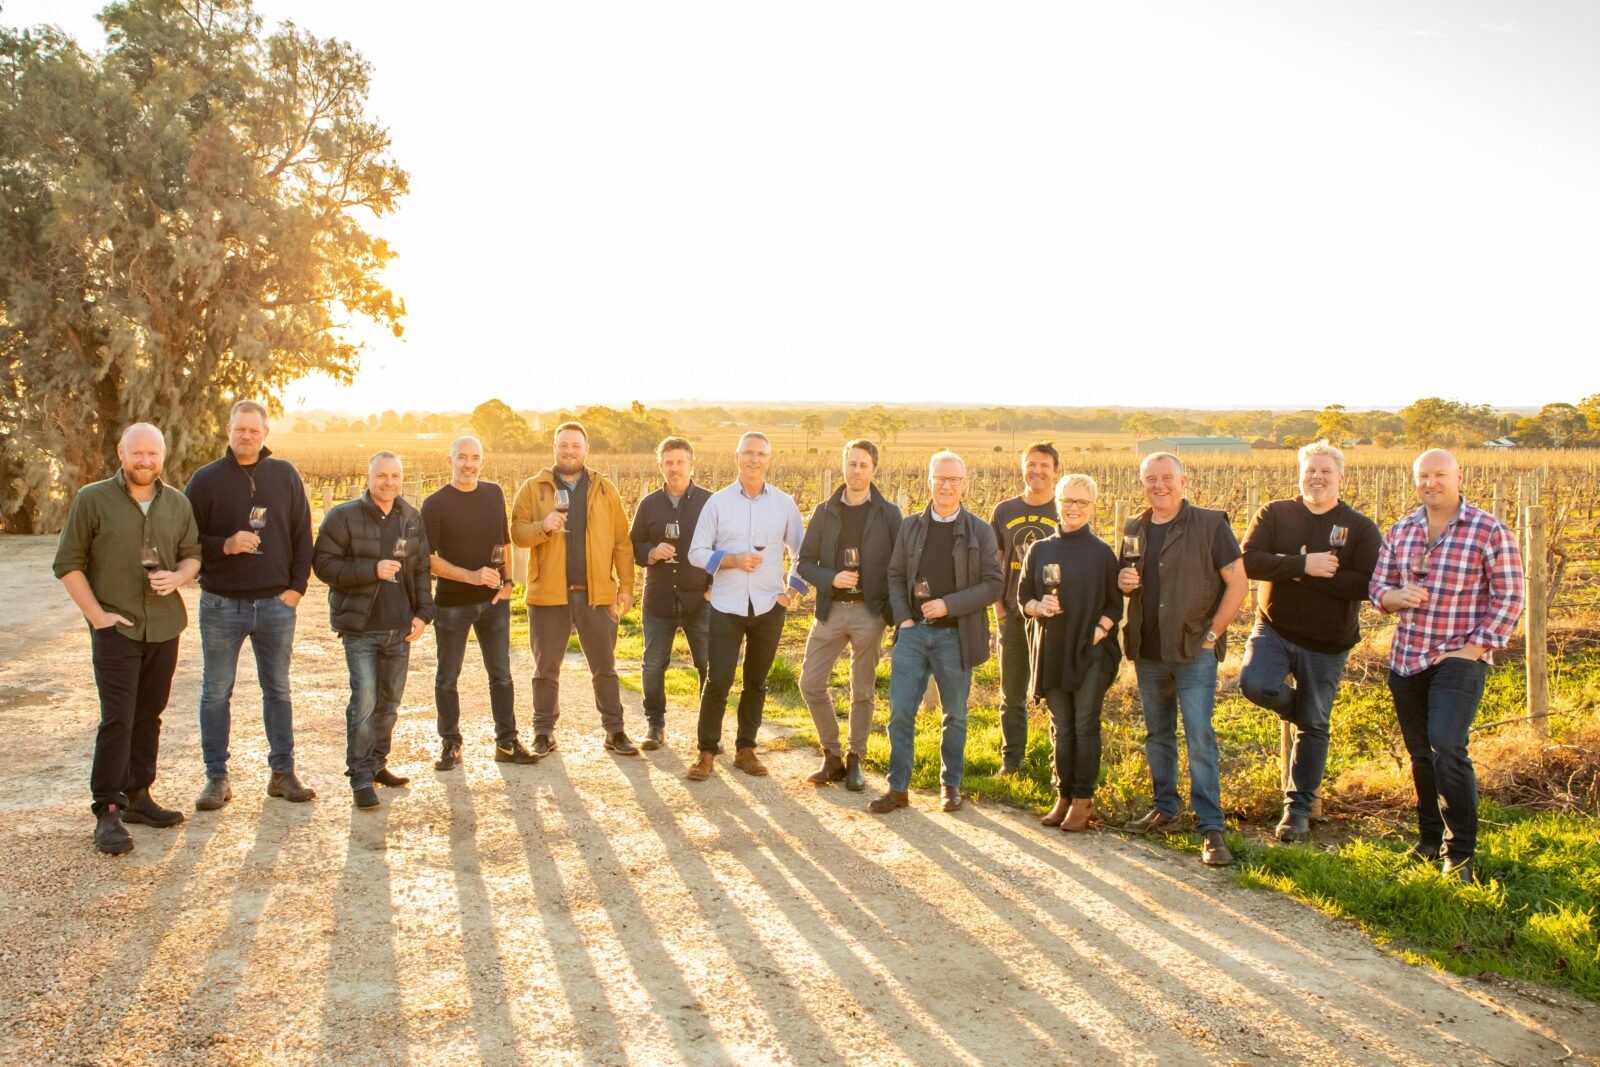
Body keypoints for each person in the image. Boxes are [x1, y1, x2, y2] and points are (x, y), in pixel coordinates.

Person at [1370, 448, 1524, 883]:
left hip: (1458, 655)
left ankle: (1461, 853)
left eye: (1439, 474)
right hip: (1406, 656)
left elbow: (1510, 597)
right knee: (1421, 754)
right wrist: (1390, 598)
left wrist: (1476, 648)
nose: (1430, 483)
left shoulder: (1488, 530)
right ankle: (1428, 841)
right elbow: (1378, 583)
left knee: (1447, 746)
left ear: (1459, 477)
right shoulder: (1401, 531)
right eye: (1423, 476)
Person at [53, 423, 201, 854]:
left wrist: (178, 576)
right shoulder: (92, 499)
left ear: (163, 456)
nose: (145, 461)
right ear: (120, 453)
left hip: (165, 626)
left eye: (152, 454)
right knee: (118, 716)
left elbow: (193, 555)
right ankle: (108, 810)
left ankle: (138, 795)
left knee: (149, 714)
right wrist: (97, 616)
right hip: (116, 628)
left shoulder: (177, 503)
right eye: (136, 453)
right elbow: (68, 563)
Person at [1240, 442, 1380, 843]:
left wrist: (1316, 573)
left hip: (1328, 643)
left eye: (1325, 471)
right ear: (1300, 473)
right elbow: (1248, 559)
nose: (1316, 477)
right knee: (1257, 685)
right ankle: (1306, 715)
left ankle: (1297, 810)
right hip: (1274, 629)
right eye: (1309, 470)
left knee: (1314, 727)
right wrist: (1302, 566)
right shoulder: (1274, 513)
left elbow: (1369, 583)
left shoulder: (1360, 526)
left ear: (1340, 478)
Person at [1118, 452, 1248, 866]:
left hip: (1194, 650)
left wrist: (1213, 634)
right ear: (1142, 484)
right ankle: (1165, 807)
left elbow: (1239, 584)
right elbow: (1126, 582)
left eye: (1167, 478)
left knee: (1199, 737)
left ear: (1183, 480)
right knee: (1158, 734)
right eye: (1151, 479)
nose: (1159, 486)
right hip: (1149, 650)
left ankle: (1211, 828)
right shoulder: (1134, 528)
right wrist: (1122, 581)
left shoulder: (1211, 524)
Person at [184, 400, 315, 811]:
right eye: (240, 430)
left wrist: (296, 589)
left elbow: (302, 535)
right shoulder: (205, 481)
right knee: (216, 692)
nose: (246, 436)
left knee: (277, 689)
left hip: (276, 605)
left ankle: (282, 773)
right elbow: (184, 541)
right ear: (228, 431)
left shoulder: (285, 475)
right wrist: (224, 544)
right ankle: (216, 778)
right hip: (222, 604)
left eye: (253, 431)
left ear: (265, 434)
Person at [870, 451, 1003, 814]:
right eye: (939, 479)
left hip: (956, 635)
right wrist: (903, 620)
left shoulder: (980, 530)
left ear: (963, 484)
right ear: (929, 481)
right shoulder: (910, 526)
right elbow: (896, 575)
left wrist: (949, 605)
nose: (946, 486)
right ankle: (898, 788)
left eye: (953, 480)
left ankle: (950, 785)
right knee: (900, 712)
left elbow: (994, 584)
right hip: (913, 635)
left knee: (955, 715)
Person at [312, 451, 434, 810]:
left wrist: (424, 614)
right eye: (382, 476)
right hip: (361, 628)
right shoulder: (343, 517)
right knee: (364, 702)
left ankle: (379, 763)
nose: (389, 483)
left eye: (395, 476)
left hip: (400, 628)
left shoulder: (411, 518)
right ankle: (361, 774)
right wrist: (371, 569)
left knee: (390, 704)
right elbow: (323, 565)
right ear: (368, 477)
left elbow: (423, 569)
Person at [684, 431, 807, 780]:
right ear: (736, 458)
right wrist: (731, 560)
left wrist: (789, 595)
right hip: (726, 605)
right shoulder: (718, 503)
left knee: (756, 681)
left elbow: (802, 552)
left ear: (769, 459)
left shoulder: (784, 504)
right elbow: (696, 552)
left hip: (770, 605)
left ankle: (745, 749)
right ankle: (706, 752)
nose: (754, 459)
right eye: (748, 453)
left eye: (761, 454)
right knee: (718, 680)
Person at [510, 422, 637, 756]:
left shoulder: (606, 489)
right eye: (563, 445)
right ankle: (543, 732)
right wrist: (543, 526)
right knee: (546, 668)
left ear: (586, 450)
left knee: (605, 667)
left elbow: (622, 542)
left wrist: (625, 586)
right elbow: (517, 533)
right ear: (554, 447)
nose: (569, 451)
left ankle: (615, 730)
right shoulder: (533, 487)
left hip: (597, 594)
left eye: (575, 446)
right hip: (548, 595)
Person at [1017, 474, 1122, 832]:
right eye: (1068, 501)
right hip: (1052, 650)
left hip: (1090, 652)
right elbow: (1022, 598)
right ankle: (1062, 795)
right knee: (1061, 727)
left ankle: (1082, 799)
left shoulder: (1102, 553)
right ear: (1057, 503)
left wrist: (1099, 630)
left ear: (1093, 507)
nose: (1073, 508)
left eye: (1082, 502)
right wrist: (1037, 606)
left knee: (1084, 725)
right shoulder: (1040, 549)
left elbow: (1114, 604)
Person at [796, 439, 902, 791]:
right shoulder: (824, 511)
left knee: (863, 690)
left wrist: (893, 612)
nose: (856, 470)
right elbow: (804, 563)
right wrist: (832, 579)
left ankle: (856, 758)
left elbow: (899, 566)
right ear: (843, 465)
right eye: (851, 463)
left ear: (874, 469)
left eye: (863, 465)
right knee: (810, 683)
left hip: (869, 613)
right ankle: (832, 755)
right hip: (830, 610)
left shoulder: (888, 514)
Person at [422, 436, 525, 770]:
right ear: (449, 460)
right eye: (462, 457)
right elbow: (428, 559)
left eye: (475, 457)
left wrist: (507, 583)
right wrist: (471, 576)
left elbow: (503, 543)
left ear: (483, 460)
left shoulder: (494, 493)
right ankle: (450, 743)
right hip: (452, 604)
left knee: (502, 675)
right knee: (447, 677)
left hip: (493, 602)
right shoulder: (435, 504)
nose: (469, 464)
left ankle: (507, 742)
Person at [628, 436, 713, 751]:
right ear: (660, 465)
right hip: (659, 599)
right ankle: (655, 725)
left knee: (708, 666)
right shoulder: (649, 504)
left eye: (680, 462)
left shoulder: (710, 502)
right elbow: (633, 545)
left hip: (699, 599)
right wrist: (651, 552)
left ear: (691, 464)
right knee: (653, 665)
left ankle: (708, 731)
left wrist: (713, 588)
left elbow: (723, 547)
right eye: (668, 462)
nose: (674, 468)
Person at [989, 442, 1061, 776]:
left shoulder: (1064, 510)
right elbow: (995, 562)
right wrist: (999, 609)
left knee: (1057, 694)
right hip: (1014, 616)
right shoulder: (1004, 510)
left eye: (1044, 465)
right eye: (1031, 464)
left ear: (1055, 470)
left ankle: (1058, 763)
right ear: (1022, 468)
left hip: (1053, 618)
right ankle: (1012, 761)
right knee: (1012, 693)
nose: (1037, 471)